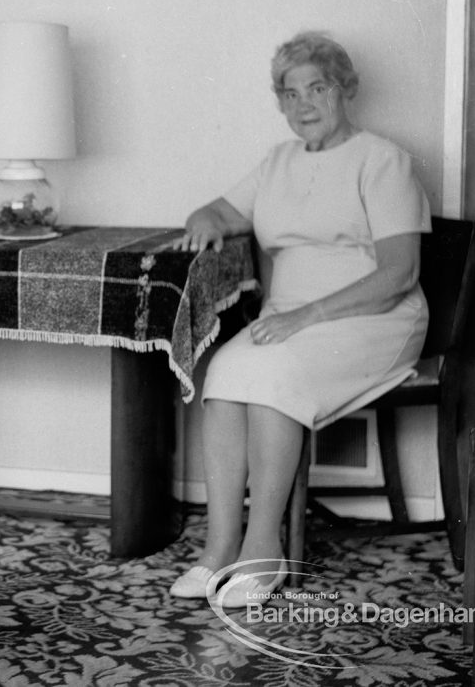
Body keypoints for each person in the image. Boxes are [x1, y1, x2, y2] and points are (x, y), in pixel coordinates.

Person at [168, 32, 430, 608]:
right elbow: (216, 209)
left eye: (318, 87)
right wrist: (206, 220)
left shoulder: (382, 160)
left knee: (272, 376)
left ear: (346, 90)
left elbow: (399, 273)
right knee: (225, 374)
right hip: (289, 320)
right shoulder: (277, 162)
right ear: (280, 102)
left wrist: (305, 316)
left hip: (374, 317)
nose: (303, 103)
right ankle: (218, 549)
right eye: (290, 93)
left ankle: (266, 550)